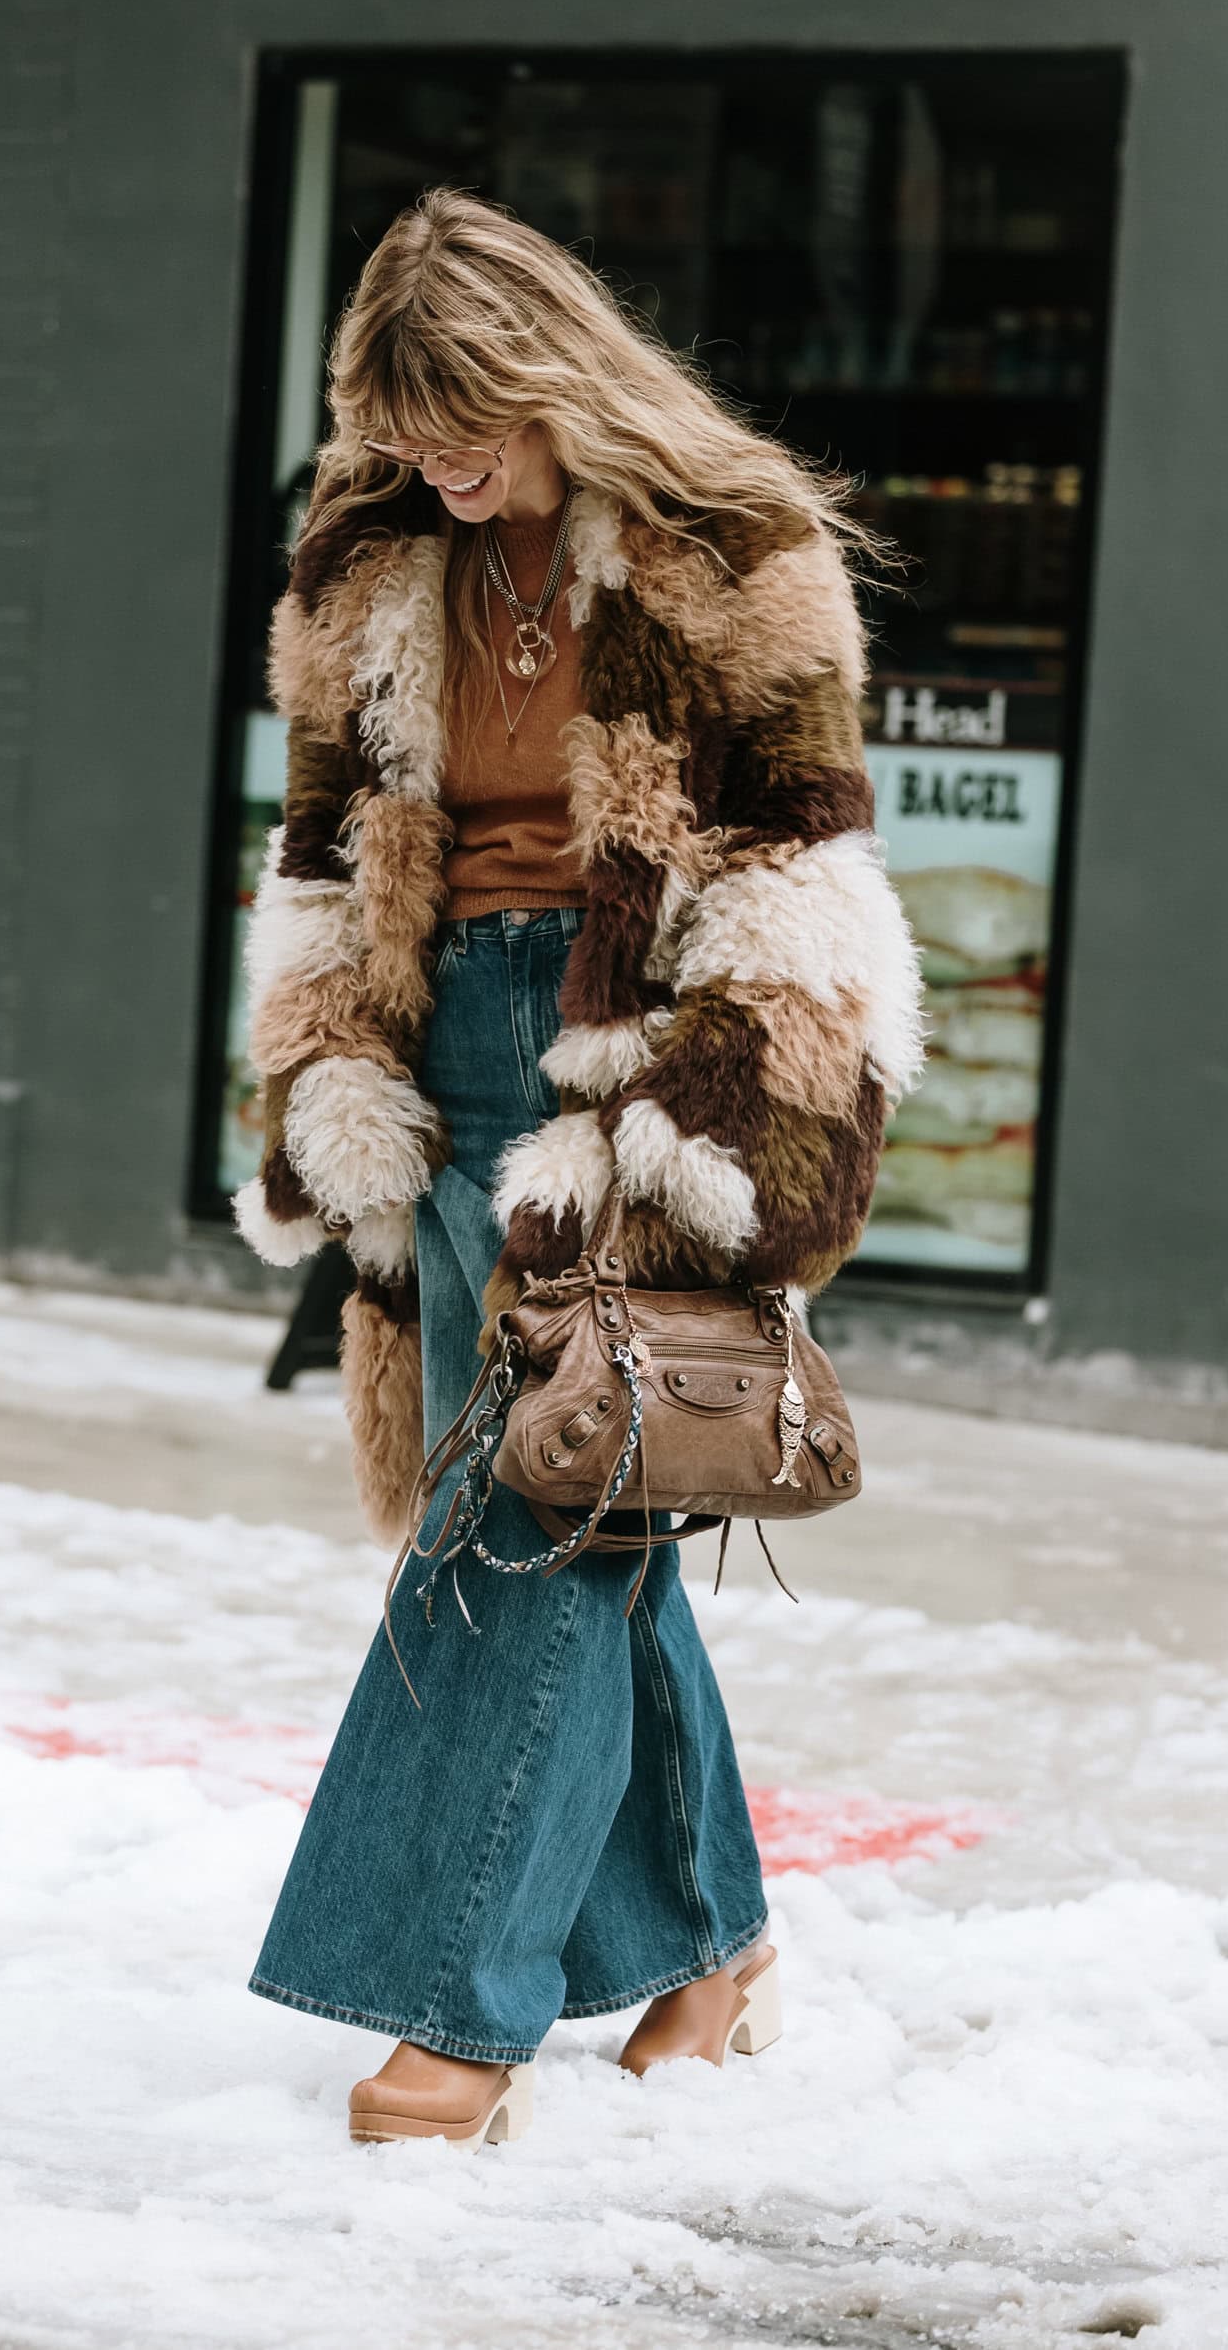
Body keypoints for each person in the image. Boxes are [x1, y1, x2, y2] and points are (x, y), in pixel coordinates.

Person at [232, 188, 926, 2150]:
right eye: (406, 429)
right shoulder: (368, 548)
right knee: (575, 1492)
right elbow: (322, 842)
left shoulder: (728, 543)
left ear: (548, 372)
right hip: (439, 1033)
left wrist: (713, 1129)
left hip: (631, 1050)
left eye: (470, 421)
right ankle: (710, 1949)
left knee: (514, 1528)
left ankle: (454, 2006)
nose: (443, 466)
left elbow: (798, 859)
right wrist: (321, 1072)